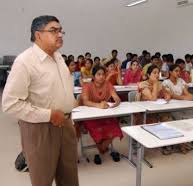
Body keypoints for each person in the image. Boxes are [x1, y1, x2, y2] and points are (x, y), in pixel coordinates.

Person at [2, 15, 79, 186]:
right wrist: (49, 115)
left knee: (70, 178)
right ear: (38, 35)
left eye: (60, 30)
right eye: (53, 31)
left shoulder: (58, 57)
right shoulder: (25, 62)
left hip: (66, 124)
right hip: (41, 129)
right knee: (42, 179)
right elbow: (10, 103)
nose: (60, 35)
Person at [81, 65, 123, 164]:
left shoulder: (108, 84)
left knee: (114, 127)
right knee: (96, 128)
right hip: (90, 115)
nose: (101, 76)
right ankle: (102, 148)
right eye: (98, 74)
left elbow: (116, 98)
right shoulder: (87, 86)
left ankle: (101, 148)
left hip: (105, 114)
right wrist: (98, 105)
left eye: (103, 74)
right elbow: (85, 101)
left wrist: (116, 102)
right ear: (93, 76)